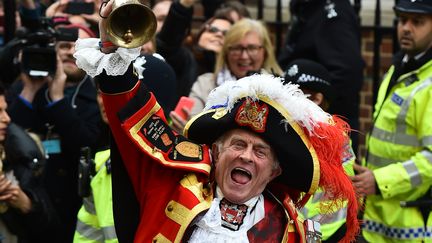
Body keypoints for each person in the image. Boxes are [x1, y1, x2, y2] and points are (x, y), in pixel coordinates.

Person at [73, 2, 360, 241]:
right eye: (237, 144)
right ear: (216, 152)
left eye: (260, 151)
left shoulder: (288, 227)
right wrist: (114, 53)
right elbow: (134, 119)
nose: (246, 156)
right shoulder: (171, 184)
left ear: (274, 171)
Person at [6, 23, 102, 242]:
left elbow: (86, 145)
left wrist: (58, 99)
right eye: (64, 46)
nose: (70, 51)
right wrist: (30, 90)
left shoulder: (99, 94)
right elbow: (6, 136)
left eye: (79, 47)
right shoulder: (24, 87)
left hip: (73, 204)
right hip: (28, 205)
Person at [351, 1, 432, 242]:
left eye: (417, 22)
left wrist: (379, 180)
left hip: (413, 222)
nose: (406, 28)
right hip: (380, 219)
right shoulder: (401, 67)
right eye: (403, 20)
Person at [278, 0, 364, 155]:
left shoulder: (334, 13)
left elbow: (346, 76)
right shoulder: (308, 8)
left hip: (321, 136)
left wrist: (312, 115)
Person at [284, 59, 356, 242]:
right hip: (293, 226)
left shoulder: (331, 137)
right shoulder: (288, 128)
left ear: (316, 99)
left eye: (293, 94)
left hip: (322, 231)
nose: (283, 101)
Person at [175, 18, 282, 125]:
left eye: (252, 48)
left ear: (265, 52)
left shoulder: (280, 89)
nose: (244, 56)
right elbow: (192, 126)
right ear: (226, 53)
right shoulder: (205, 84)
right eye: (237, 48)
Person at [0, 83, 58, 243]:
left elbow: (50, 225)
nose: (6, 118)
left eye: (5, 110)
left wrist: (26, 203)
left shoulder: (21, 155)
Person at [156, 0, 233, 102]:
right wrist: (183, 6)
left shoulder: (235, 71)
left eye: (226, 34)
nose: (218, 34)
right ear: (200, 35)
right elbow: (168, 44)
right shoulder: (185, 59)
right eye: (213, 30)